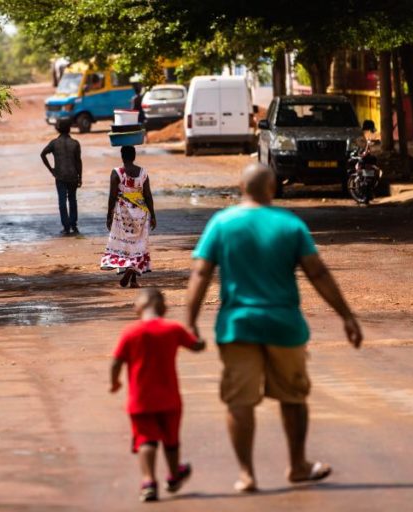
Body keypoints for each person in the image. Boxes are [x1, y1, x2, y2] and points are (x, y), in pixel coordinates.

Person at [185, 163, 363, 492]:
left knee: (239, 400)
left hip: (238, 326)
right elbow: (317, 273)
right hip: (284, 326)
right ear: (272, 188)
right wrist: (347, 316)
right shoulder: (290, 224)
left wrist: (190, 321)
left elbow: (200, 273)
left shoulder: (221, 223)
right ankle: (297, 465)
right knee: (293, 397)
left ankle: (246, 474)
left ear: (241, 187)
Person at [110, 288, 206, 502]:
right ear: (164, 309)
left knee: (146, 440)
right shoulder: (173, 329)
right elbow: (197, 346)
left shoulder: (130, 332)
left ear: (137, 308)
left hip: (140, 400)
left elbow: (116, 362)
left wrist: (115, 382)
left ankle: (148, 482)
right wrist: (196, 333)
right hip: (170, 399)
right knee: (171, 440)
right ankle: (174, 475)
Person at [101, 145, 156, 288]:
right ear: (134, 156)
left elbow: (112, 196)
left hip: (123, 213)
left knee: (125, 244)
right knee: (138, 245)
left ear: (122, 156)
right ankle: (133, 279)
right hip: (140, 214)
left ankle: (129, 270)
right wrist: (153, 215)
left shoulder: (117, 173)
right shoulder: (143, 173)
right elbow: (148, 195)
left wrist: (109, 215)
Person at [40, 118, 82, 235]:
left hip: (60, 176)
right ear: (69, 129)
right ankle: (73, 225)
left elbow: (43, 154)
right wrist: (80, 176)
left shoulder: (54, 143)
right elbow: (78, 162)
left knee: (62, 201)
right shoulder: (75, 143)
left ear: (58, 129)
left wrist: (51, 169)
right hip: (73, 175)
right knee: (72, 200)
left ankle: (66, 227)